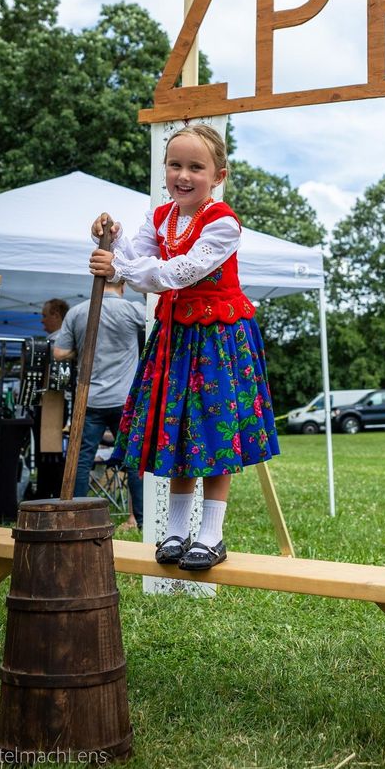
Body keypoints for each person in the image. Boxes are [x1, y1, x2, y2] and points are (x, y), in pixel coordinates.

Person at [89, 123, 279, 570]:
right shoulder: (160, 218)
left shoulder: (223, 223)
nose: (184, 175)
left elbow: (175, 273)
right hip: (175, 338)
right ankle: (175, 532)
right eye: (175, 165)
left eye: (196, 166)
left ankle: (210, 535)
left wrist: (119, 267)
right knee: (178, 431)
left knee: (213, 431)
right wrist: (112, 239)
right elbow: (137, 259)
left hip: (217, 339)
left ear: (218, 175)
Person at [52, 281, 146, 528]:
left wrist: (81, 351)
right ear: (123, 284)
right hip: (125, 399)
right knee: (132, 458)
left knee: (82, 459)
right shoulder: (134, 311)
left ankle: (79, 517)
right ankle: (142, 520)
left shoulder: (79, 311)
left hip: (90, 399)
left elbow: (59, 353)